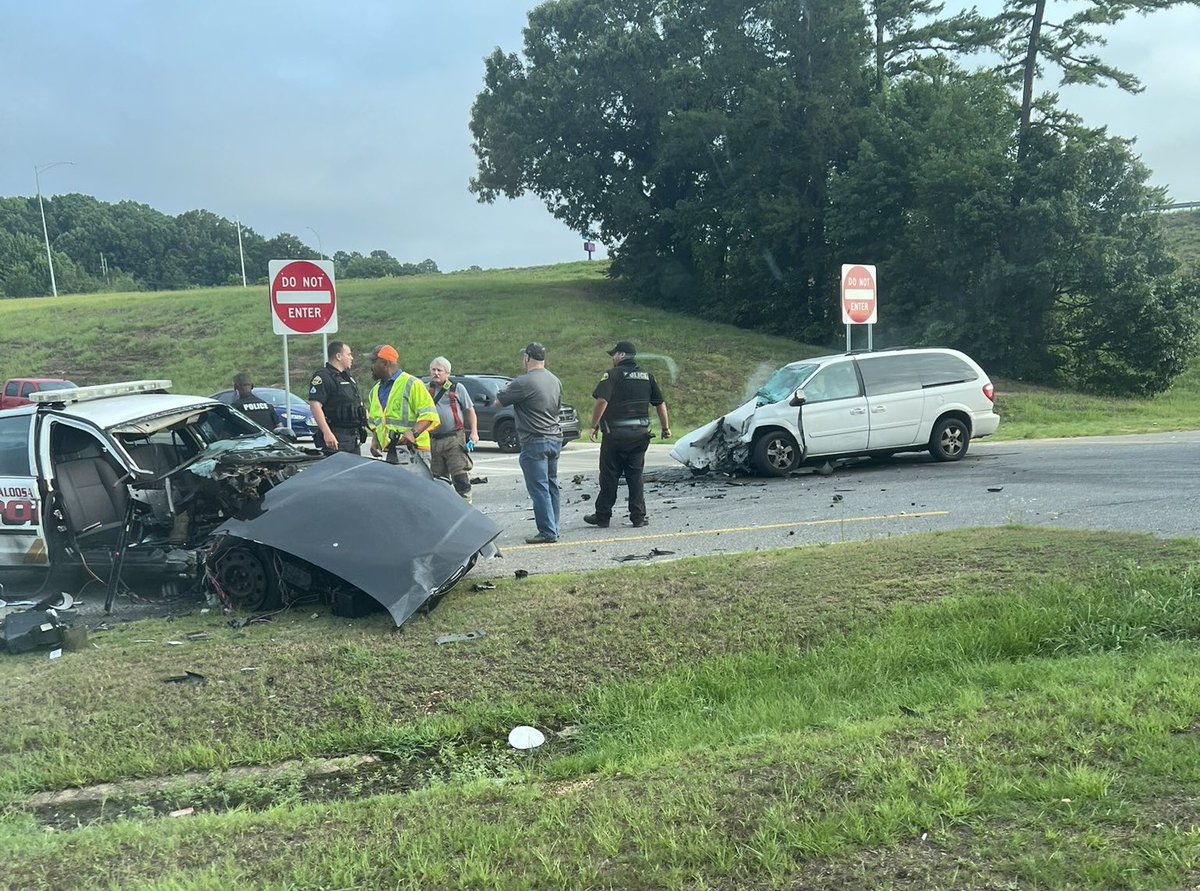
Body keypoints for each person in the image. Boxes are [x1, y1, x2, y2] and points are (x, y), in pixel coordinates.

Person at [584, 340, 670, 528]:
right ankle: (638, 517)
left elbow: (602, 401)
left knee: (609, 475)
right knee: (635, 476)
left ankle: (603, 516)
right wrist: (665, 428)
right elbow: (660, 404)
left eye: (614, 354)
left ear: (621, 355)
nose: (613, 358)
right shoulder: (647, 376)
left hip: (615, 436)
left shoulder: (612, 375)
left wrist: (594, 425)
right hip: (639, 436)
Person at [494, 342, 563, 544]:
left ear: (527, 358)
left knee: (539, 487)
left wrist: (505, 389)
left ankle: (548, 532)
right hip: (554, 438)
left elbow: (498, 404)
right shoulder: (555, 380)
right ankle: (554, 527)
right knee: (551, 485)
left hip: (534, 440)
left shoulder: (523, 382)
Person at [365, 344, 439, 465]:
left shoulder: (412, 384)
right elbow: (375, 422)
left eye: (374, 362)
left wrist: (413, 433)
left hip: (414, 451)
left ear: (385, 363)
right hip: (393, 450)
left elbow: (429, 416)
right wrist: (375, 440)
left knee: (414, 484)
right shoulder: (375, 391)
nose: (371, 367)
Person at [427, 356, 479, 502]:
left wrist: (474, 432)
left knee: (460, 477)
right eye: (433, 370)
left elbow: (470, 411)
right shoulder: (425, 389)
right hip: (434, 441)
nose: (436, 373)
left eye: (439, 370)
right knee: (437, 480)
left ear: (447, 373)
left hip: (454, 439)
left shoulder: (457, 389)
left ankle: (466, 507)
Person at [308, 341, 367, 455]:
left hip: (352, 437)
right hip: (336, 435)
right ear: (338, 356)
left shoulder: (346, 378)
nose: (351, 358)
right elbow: (315, 405)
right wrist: (327, 432)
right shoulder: (323, 377)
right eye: (348, 354)